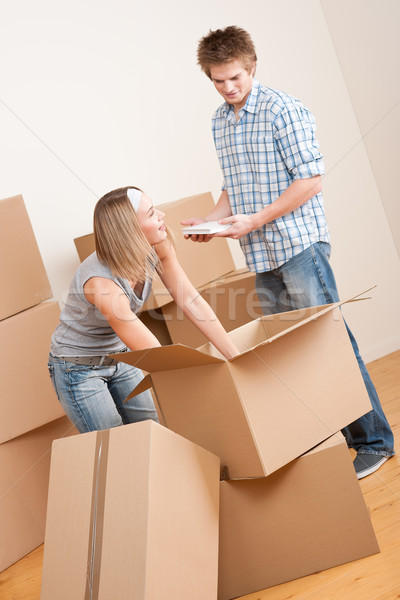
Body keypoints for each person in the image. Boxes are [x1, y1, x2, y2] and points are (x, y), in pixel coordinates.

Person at [181, 25, 394, 479]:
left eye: (235, 76)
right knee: (287, 354)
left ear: (252, 65)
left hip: (298, 246)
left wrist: (254, 220)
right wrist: (212, 222)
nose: (228, 87)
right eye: (218, 80)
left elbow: (311, 180)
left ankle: (374, 441)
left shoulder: (284, 111)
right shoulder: (221, 120)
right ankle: (318, 443)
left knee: (329, 345)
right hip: (260, 256)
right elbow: (234, 188)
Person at [49, 186, 239, 433]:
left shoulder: (157, 245)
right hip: (78, 368)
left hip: (120, 355)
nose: (161, 215)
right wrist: (193, 387)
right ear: (129, 231)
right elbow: (152, 351)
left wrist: (235, 358)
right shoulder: (101, 283)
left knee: (152, 430)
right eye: (151, 214)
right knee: (117, 444)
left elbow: (190, 300)